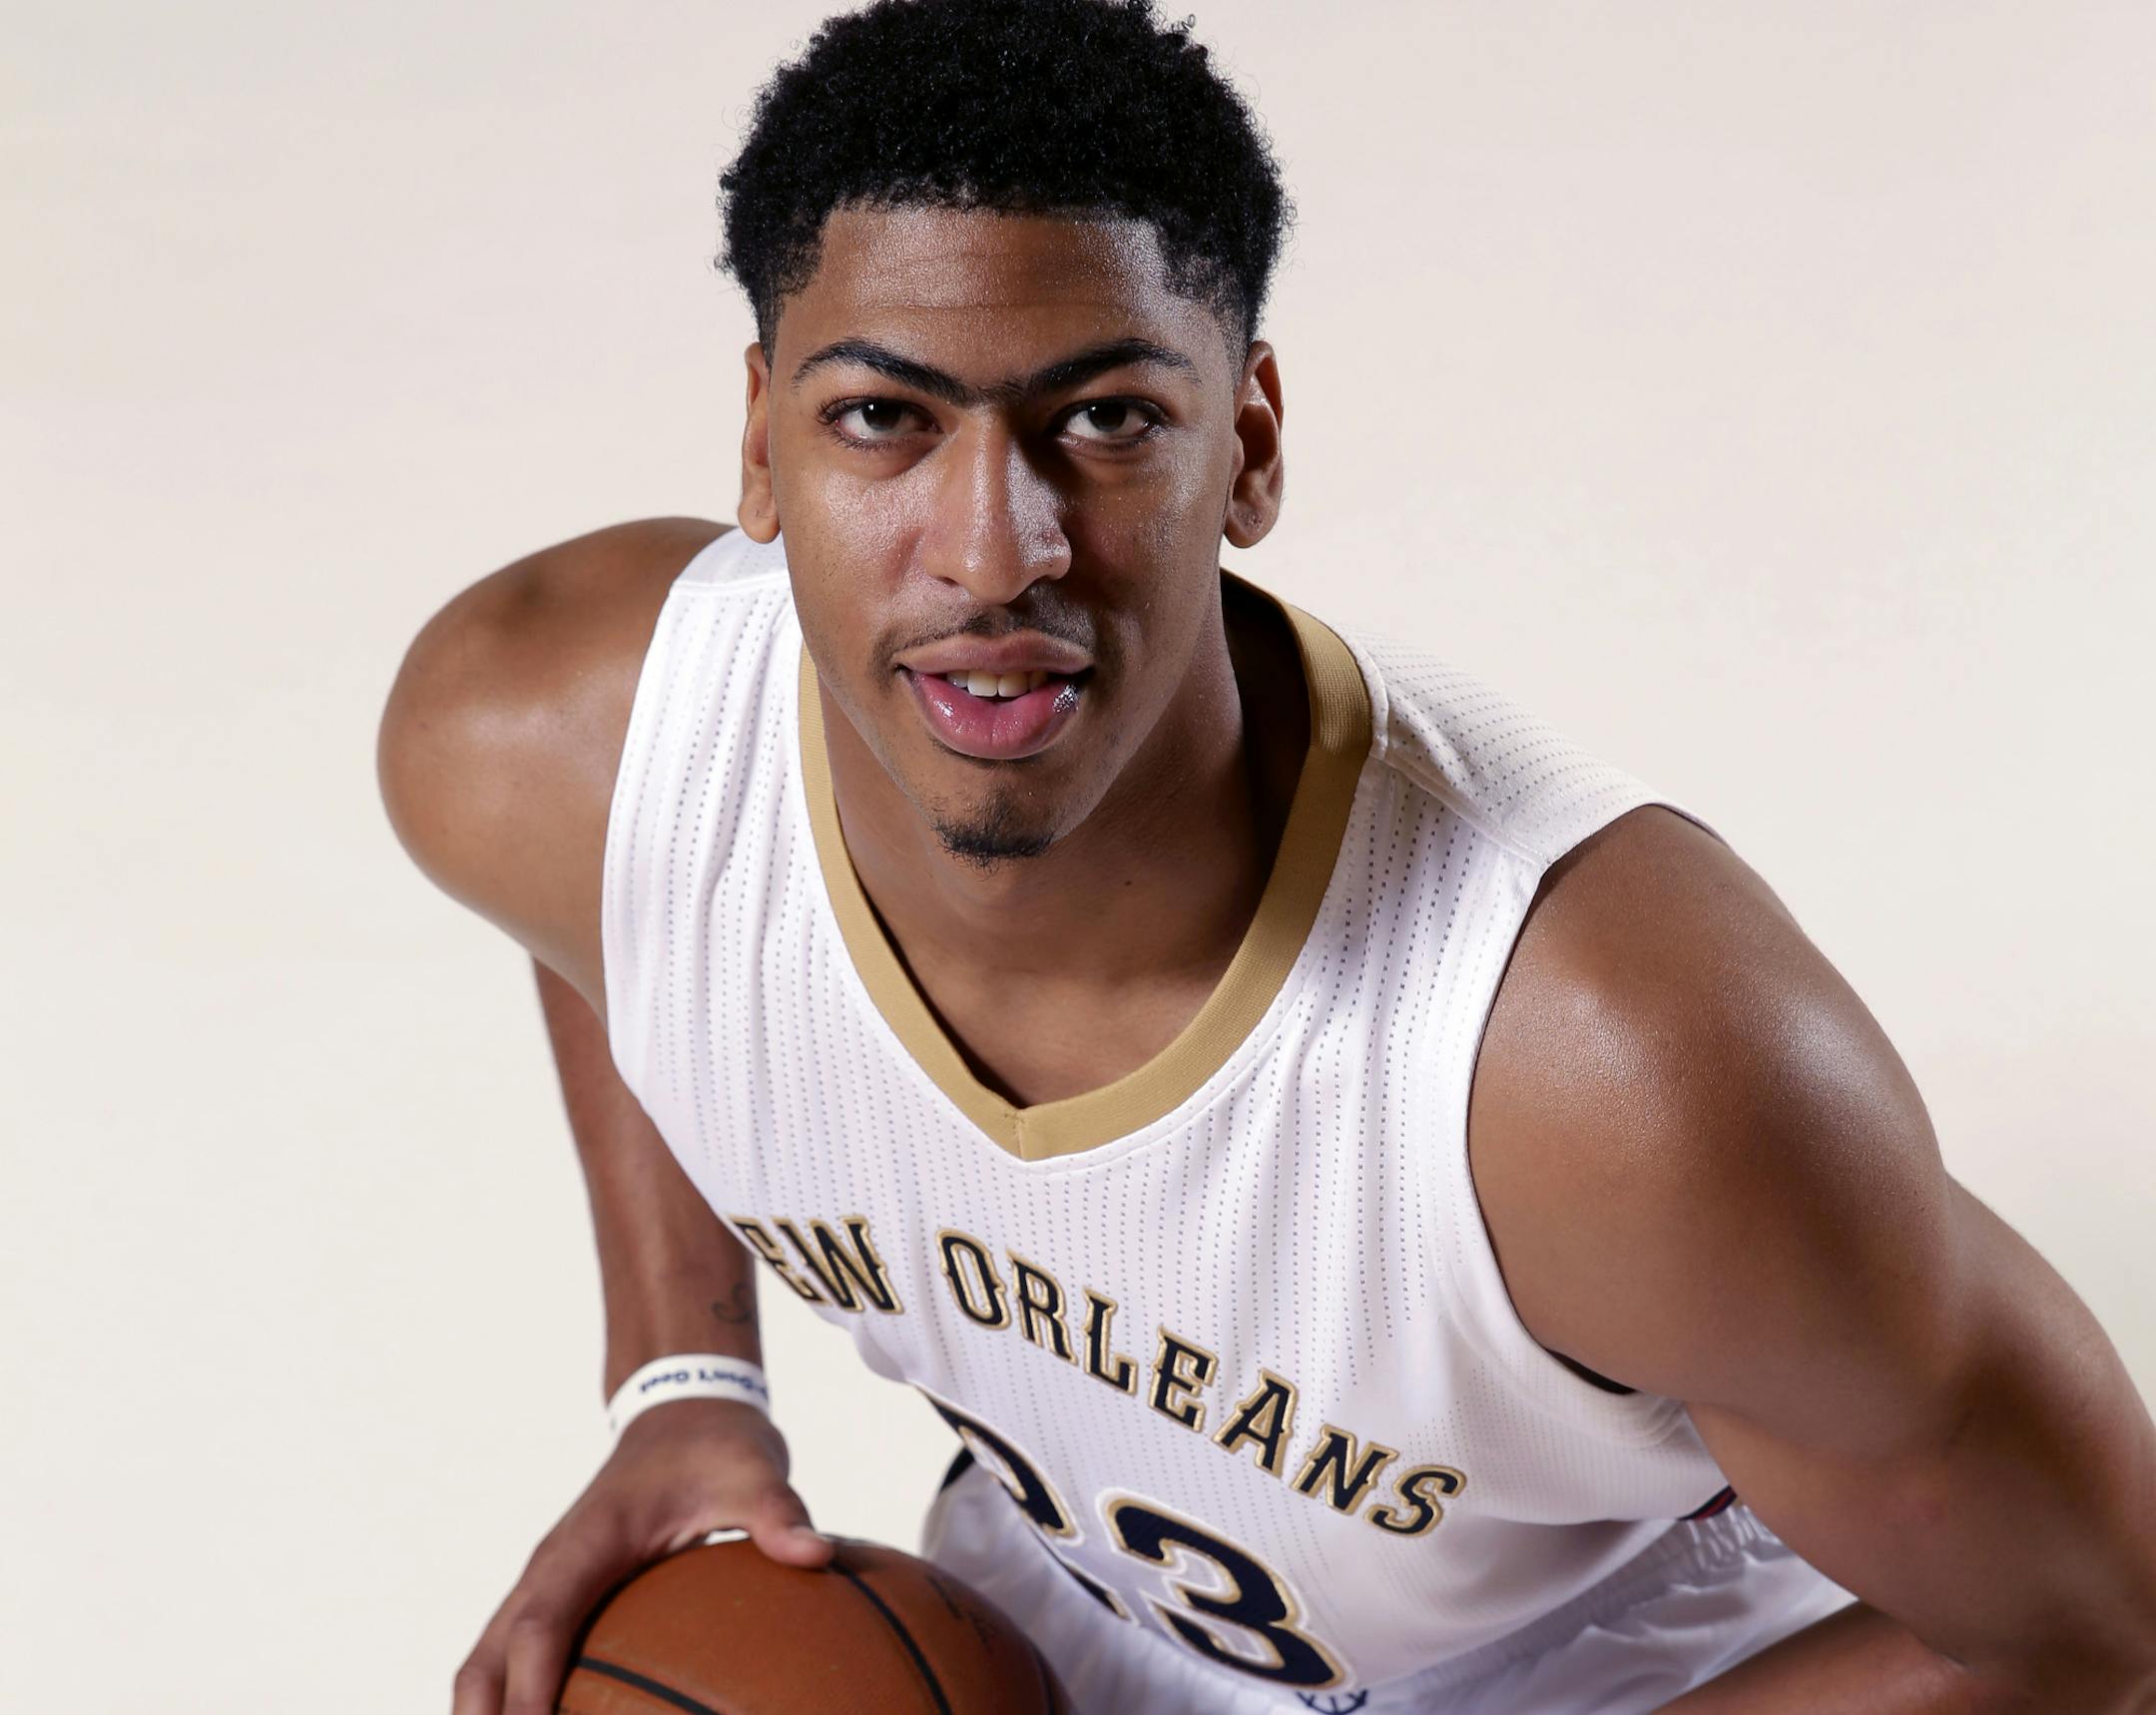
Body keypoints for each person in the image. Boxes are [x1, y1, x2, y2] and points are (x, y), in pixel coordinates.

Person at [376, 2, 2156, 1711]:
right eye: (882, 418)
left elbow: (2101, 1625)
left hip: (1624, 1666)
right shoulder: (559, 742)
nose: (994, 552)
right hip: (1080, 1597)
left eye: (1107, 418)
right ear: (759, 443)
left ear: (1250, 446)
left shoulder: (1606, 1070)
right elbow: (613, 914)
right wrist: (686, 1378)